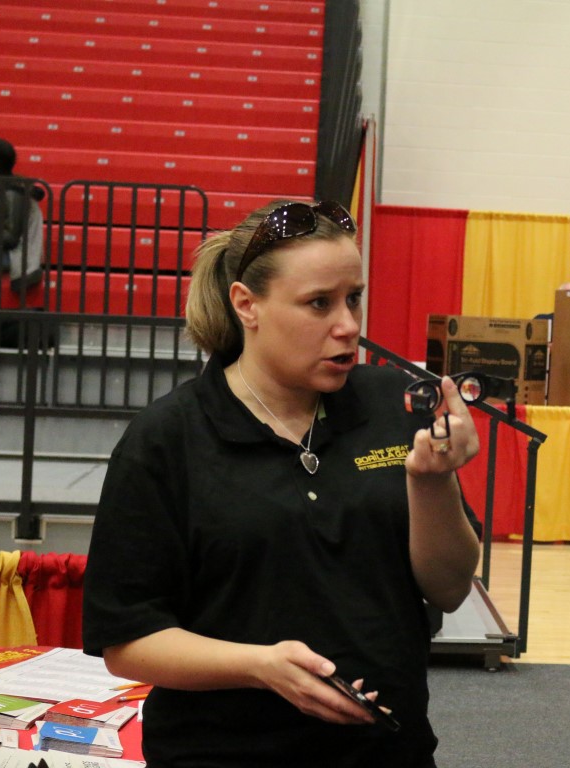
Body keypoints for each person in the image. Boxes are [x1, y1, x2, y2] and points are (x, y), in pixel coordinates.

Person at [82, 199, 482, 767]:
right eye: (319, 303)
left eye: (354, 298)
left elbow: (449, 588)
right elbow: (127, 643)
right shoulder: (167, 439)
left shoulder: (394, 407)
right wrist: (260, 666)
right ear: (247, 305)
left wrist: (430, 482)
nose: (348, 325)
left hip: (388, 753)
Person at [0, 137, 45, 289]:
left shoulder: (11, 192)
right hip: (4, 252)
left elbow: (9, 239)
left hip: (18, 257)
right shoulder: (0, 187)